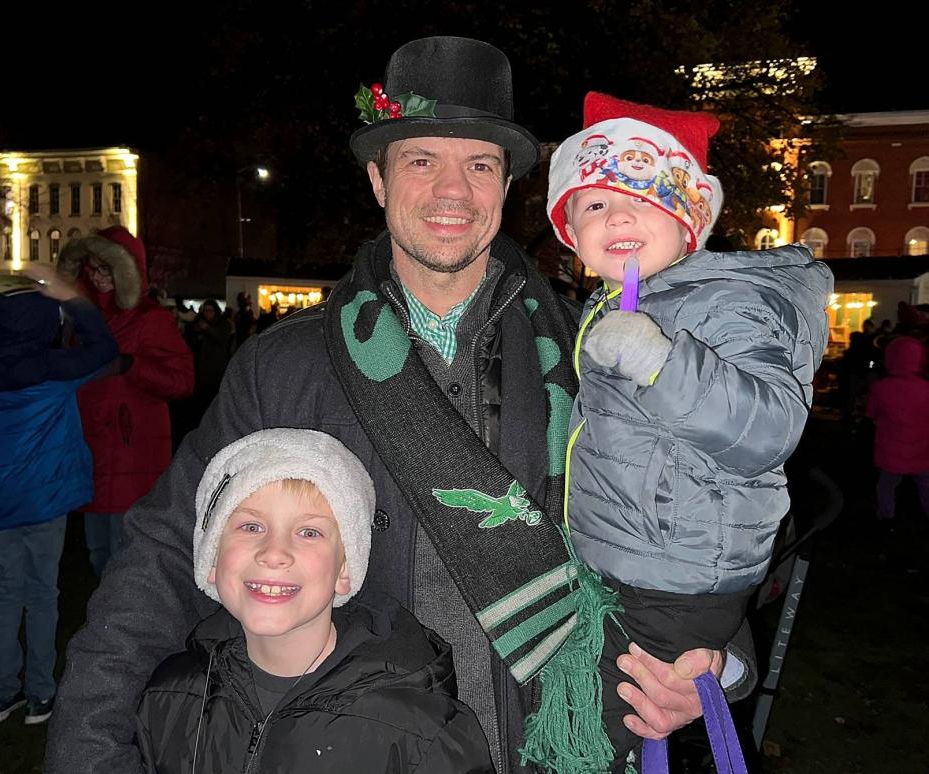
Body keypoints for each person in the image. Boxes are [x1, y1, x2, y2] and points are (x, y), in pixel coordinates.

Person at [47, 39, 754, 774]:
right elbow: (162, 556)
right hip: (352, 747)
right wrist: (88, 752)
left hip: (559, 738)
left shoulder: (594, 354)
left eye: (480, 164)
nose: (454, 192)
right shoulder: (284, 365)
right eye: (422, 161)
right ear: (378, 181)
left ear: (507, 187)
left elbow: (697, 521)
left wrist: (716, 661)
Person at [546, 91, 832, 763]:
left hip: (670, 582)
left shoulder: (723, 301)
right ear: (571, 234)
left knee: (595, 741)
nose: (616, 213)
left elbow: (769, 428)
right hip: (625, 569)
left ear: (691, 220)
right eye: (593, 205)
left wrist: (660, 364)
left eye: (642, 199)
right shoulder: (609, 305)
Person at [136, 428, 493, 773]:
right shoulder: (168, 699)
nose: (274, 553)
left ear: (345, 571)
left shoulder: (421, 736)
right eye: (251, 527)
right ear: (211, 559)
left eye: (309, 532)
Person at [0, 266, 118, 726]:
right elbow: (105, 349)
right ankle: (39, 693)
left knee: (7, 591)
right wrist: (71, 297)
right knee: (43, 594)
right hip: (46, 498)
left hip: (2, 497)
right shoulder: (53, 370)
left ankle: (0, 694)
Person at [56, 226, 194, 576]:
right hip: (93, 453)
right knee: (99, 555)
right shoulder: (83, 320)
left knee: (126, 562)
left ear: (127, 270)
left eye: (107, 269)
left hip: (132, 454)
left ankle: (129, 629)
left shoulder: (150, 318)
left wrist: (132, 366)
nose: (99, 277)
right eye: (93, 268)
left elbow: (182, 381)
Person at [866, 336, 929, 521]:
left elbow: (872, 414)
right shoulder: (926, 388)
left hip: (891, 447)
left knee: (887, 485)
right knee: (926, 484)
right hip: (922, 447)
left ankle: (886, 517)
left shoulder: (880, 388)